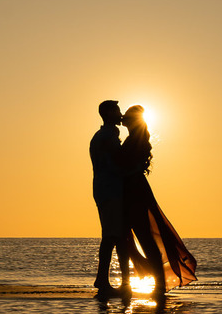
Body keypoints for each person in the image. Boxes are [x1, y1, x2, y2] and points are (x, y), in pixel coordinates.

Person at [121, 104, 197, 299]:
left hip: (135, 190)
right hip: (133, 189)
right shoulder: (135, 139)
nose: (123, 122)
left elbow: (132, 167)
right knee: (135, 235)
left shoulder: (137, 141)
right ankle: (153, 280)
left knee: (145, 236)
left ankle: (159, 283)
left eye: (126, 120)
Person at [89, 99, 131, 296]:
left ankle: (124, 282)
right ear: (108, 113)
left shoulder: (100, 135)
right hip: (111, 189)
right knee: (112, 236)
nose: (120, 113)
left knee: (117, 235)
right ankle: (103, 280)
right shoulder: (108, 135)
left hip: (104, 189)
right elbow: (119, 160)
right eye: (117, 111)